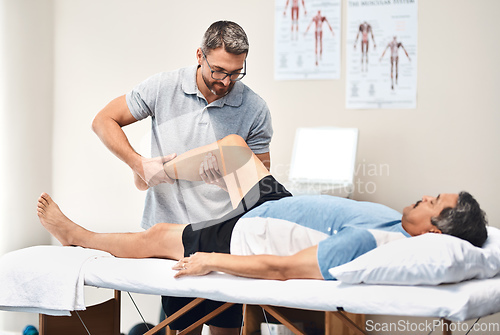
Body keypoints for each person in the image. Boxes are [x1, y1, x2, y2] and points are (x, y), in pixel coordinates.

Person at [38, 135, 488, 320]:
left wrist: (214, 259)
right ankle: (151, 172)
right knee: (233, 149)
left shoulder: (373, 244)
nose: (427, 196)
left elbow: (284, 270)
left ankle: (77, 236)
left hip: (247, 233)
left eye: (435, 203)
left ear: (435, 234)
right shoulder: (398, 224)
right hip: (278, 206)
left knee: (160, 236)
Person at [91, 21, 272, 334]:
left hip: (220, 235)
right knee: (181, 328)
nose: (226, 81)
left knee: (225, 329)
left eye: (235, 72)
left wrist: (226, 182)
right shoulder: (164, 87)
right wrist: (138, 164)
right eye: (218, 70)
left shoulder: (254, 108)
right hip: (170, 232)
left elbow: (262, 183)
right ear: (199, 55)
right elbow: (103, 120)